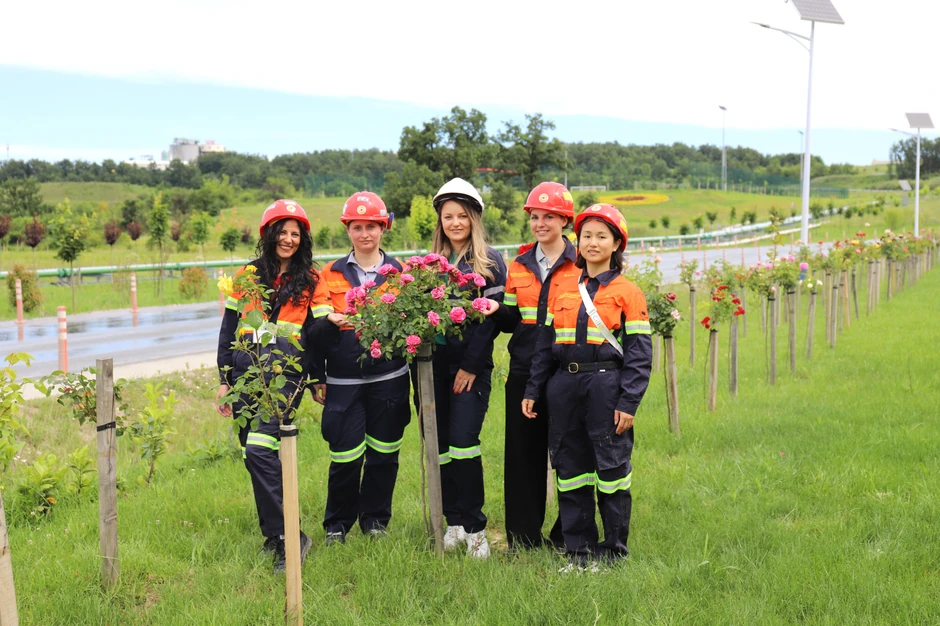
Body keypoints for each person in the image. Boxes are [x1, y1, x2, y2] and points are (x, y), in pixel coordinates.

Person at [521, 203, 651, 570]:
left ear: (616, 244)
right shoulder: (562, 288)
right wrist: (533, 390)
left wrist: (629, 401)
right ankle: (578, 552)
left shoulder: (629, 292)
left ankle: (612, 553)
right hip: (563, 387)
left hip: (606, 387)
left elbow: (640, 355)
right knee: (569, 469)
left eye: (601, 237)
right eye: (587, 236)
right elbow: (544, 348)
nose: (592, 243)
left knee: (611, 470)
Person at [216, 199, 318, 573]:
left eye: (296, 233)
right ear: (269, 234)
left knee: (260, 451)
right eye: (283, 231)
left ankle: (293, 538)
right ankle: (276, 537)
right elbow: (229, 330)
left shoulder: (310, 280)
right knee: (254, 457)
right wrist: (225, 380)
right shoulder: (246, 275)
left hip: (284, 379)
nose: (289, 239)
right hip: (245, 377)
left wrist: (315, 378)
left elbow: (314, 335)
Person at [307, 191, 411, 545]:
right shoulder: (329, 275)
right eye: (357, 227)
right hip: (344, 382)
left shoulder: (400, 274)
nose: (364, 233)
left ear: (383, 228)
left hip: (389, 380)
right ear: (347, 230)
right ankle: (337, 525)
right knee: (345, 458)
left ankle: (376, 521)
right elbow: (314, 333)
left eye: (371, 226)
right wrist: (317, 376)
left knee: (384, 455)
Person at [490, 181, 578, 551]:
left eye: (549, 217)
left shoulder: (581, 264)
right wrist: (496, 310)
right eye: (535, 217)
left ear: (565, 221)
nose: (540, 223)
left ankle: (567, 534)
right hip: (524, 370)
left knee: (569, 454)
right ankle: (523, 538)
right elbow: (513, 318)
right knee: (522, 456)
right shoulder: (519, 264)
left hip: (566, 371)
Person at [430, 177, 506, 558]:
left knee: (463, 444)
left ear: (474, 218)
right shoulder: (431, 265)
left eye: (462, 215)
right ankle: (454, 521)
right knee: (441, 448)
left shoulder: (489, 261)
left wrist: (472, 366)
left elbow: (490, 320)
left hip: (468, 367)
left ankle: (476, 529)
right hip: (432, 369)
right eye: (448, 216)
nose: (455, 222)